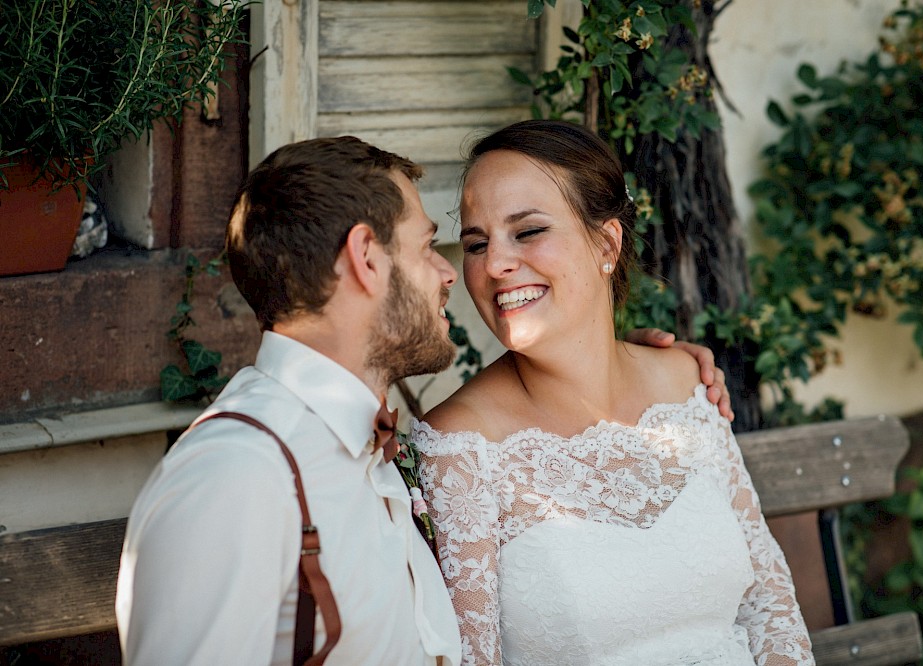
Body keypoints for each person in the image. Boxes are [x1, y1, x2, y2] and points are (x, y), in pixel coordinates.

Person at [115, 135, 732, 665]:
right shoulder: (236, 475)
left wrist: (629, 367)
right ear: (365, 259)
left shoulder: (368, 446)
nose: (451, 274)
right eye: (428, 246)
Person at [412, 120, 815, 666]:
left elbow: (769, 604)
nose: (494, 265)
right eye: (476, 243)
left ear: (606, 242)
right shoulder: (458, 446)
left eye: (527, 231)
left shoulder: (686, 384)